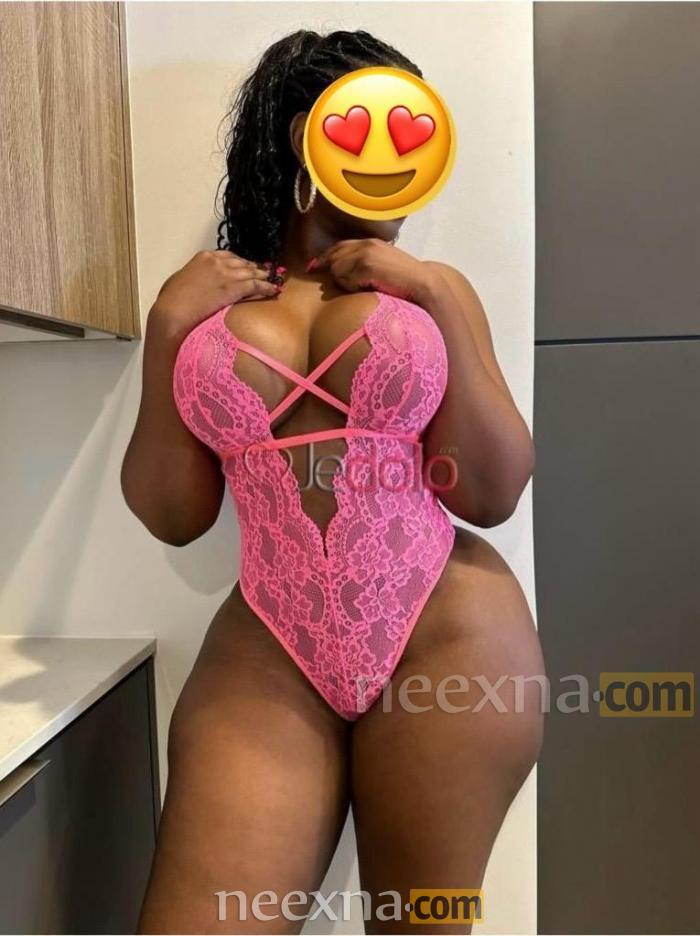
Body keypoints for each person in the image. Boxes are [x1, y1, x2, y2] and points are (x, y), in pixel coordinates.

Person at [121, 29, 545, 936]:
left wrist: (433, 294)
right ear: (302, 137)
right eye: (377, 125)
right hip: (270, 649)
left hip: (447, 638)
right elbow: (174, 516)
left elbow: (493, 492)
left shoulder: (431, 290)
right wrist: (166, 329)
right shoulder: (209, 304)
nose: (401, 158)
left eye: (418, 133)